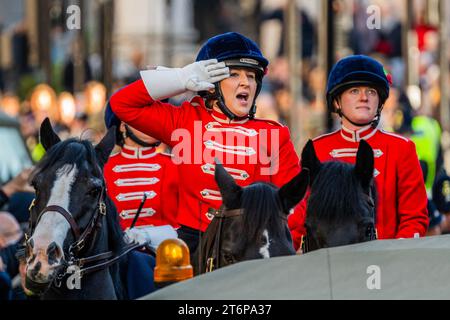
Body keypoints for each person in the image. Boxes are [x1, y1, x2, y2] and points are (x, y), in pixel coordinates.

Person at [108, 32, 300, 254]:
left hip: (252, 248)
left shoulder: (275, 135)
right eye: (234, 74)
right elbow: (122, 105)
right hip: (193, 247)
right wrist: (180, 78)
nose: (245, 83)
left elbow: (293, 203)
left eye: (251, 76)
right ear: (210, 85)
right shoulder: (185, 120)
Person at [288, 55, 429, 251]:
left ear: (379, 101)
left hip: (384, 264)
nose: (364, 97)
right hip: (324, 266)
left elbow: (414, 218)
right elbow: (299, 217)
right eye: (354, 91)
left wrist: (395, 257)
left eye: (371, 91)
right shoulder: (317, 149)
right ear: (337, 101)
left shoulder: (401, 148)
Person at [103, 105, 179, 248]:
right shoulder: (104, 169)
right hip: (119, 259)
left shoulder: (174, 165)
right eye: (142, 118)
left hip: (167, 257)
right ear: (123, 126)